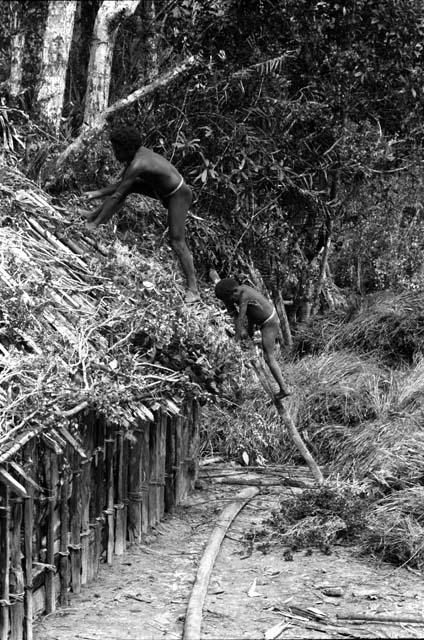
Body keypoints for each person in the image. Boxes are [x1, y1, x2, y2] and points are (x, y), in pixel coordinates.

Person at [83, 126, 200, 303]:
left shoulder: (138, 163)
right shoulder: (134, 158)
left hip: (178, 194)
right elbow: (123, 185)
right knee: (129, 186)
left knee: (177, 241)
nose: (115, 154)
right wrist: (97, 193)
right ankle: (93, 216)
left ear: (128, 148)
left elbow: (117, 194)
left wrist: (93, 225)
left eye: (117, 150)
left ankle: (194, 290)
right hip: (163, 190)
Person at [214, 277, 290, 399]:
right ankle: (283, 388)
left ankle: (284, 389)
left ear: (235, 291)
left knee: (268, 357)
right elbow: (244, 312)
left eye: (231, 298)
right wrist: (248, 330)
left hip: (269, 322)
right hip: (257, 320)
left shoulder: (245, 296)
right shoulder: (238, 292)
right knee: (253, 341)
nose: (232, 301)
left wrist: (236, 340)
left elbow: (241, 318)